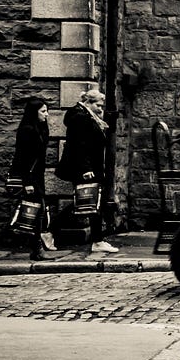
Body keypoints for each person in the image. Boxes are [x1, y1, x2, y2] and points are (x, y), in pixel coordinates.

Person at [0, 97, 51, 260]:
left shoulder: (39, 127)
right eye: (43, 111)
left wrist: (44, 125)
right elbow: (22, 157)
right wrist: (27, 182)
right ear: (33, 112)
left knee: (34, 213)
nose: (47, 114)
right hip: (28, 177)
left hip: (37, 176)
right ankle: (34, 250)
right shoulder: (26, 130)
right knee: (33, 213)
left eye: (46, 111)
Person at [56, 88, 118, 254]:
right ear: (88, 103)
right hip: (86, 169)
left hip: (91, 167)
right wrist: (86, 168)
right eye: (98, 105)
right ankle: (51, 230)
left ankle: (97, 240)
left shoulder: (86, 116)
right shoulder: (81, 118)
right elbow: (80, 145)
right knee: (88, 203)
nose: (100, 109)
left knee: (89, 203)